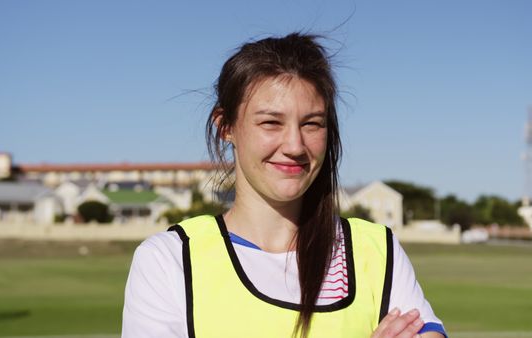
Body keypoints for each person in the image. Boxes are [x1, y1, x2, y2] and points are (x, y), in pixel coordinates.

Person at [122, 33, 447, 338]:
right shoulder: (170, 259)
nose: (294, 145)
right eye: (271, 122)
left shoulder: (378, 251)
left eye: (312, 123)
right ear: (226, 127)